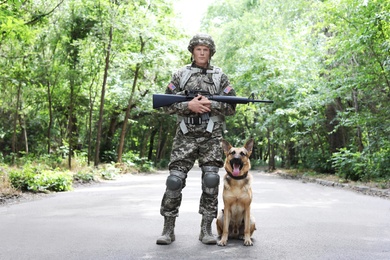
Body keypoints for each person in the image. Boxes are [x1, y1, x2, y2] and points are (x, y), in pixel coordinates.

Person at [156, 33, 236, 245]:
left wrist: (211, 104)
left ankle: (206, 230)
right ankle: (168, 229)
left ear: (210, 52)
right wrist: (187, 105)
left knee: (211, 180)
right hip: (185, 135)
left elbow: (231, 107)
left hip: (211, 136)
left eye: (206, 49)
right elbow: (164, 104)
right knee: (174, 181)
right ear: (192, 51)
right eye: (198, 49)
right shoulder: (180, 75)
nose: (202, 52)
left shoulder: (220, 76)